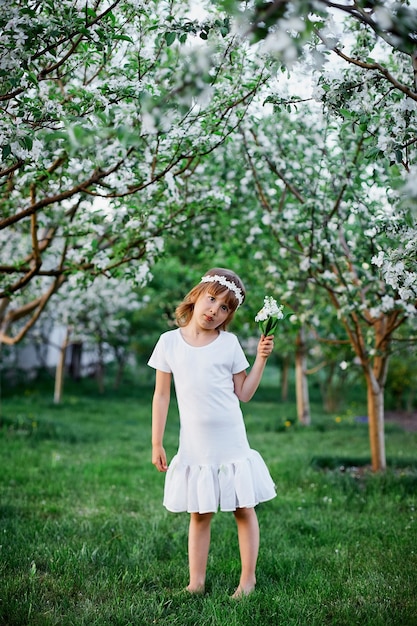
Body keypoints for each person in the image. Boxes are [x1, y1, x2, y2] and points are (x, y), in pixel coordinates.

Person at [148, 268, 276, 598]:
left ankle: (248, 580)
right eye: (212, 300)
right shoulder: (169, 343)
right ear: (197, 294)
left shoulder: (229, 344)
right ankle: (196, 582)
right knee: (200, 512)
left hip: (230, 439)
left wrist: (260, 359)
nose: (214, 312)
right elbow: (162, 395)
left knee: (243, 508)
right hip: (195, 443)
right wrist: (157, 441)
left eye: (224, 309)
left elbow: (244, 393)